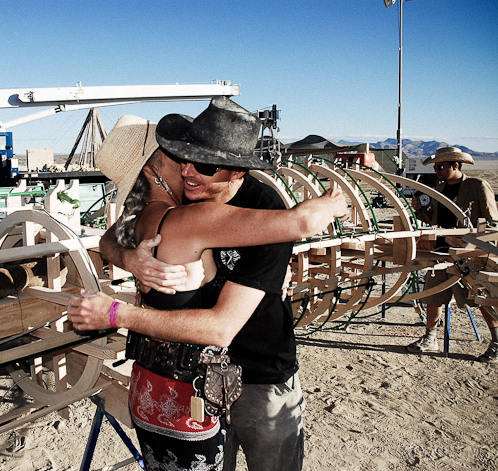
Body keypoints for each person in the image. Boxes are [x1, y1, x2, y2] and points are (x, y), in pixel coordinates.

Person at [69, 98, 346, 471]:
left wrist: (119, 312)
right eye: (182, 156)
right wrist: (131, 258)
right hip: (200, 380)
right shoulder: (183, 204)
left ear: (237, 172)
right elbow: (110, 238)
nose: (188, 171)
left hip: (260, 373)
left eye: (202, 163)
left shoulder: (262, 207)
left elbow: (221, 326)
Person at [406, 146, 498, 362]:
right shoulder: (439, 189)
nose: (437, 171)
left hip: (470, 255)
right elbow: (434, 221)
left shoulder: (476, 186)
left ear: (455, 165)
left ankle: (496, 341)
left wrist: (477, 247)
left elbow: (492, 223)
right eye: (436, 167)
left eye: (440, 167)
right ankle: (430, 339)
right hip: (441, 253)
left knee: (482, 297)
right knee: (433, 296)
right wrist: (420, 210)